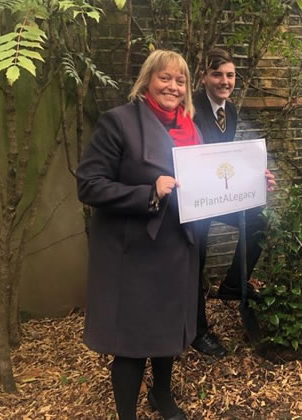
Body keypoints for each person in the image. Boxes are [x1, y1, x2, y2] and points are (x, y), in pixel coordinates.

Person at [77, 50, 203, 420]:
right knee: (131, 344)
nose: (173, 86)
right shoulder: (118, 122)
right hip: (132, 253)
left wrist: (249, 183)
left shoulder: (192, 129)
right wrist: (148, 191)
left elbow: (213, 182)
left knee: (166, 334)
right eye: (165, 78)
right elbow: (89, 184)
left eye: (180, 81)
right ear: (147, 80)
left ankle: (161, 397)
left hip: (177, 247)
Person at [191, 48, 276, 358]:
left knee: (258, 221)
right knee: (196, 258)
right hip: (194, 198)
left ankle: (232, 285)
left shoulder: (230, 111)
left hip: (218, 194)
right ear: (204, 78)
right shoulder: (191, 110)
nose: (224, 81)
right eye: (217, 75)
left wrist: (255, 177)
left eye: (230, 75)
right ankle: (198, 332)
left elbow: (225, 161)